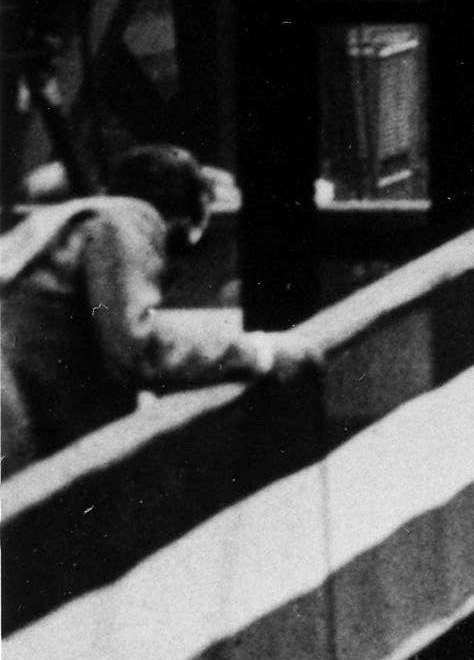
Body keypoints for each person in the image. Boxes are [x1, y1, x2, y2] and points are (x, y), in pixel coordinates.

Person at [1, 147, 309, 467]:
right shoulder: (127, 219)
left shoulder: (69, 218)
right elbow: (138, 345)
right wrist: (258, 352)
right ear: (184, 219)